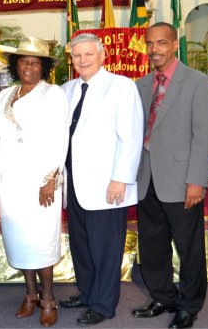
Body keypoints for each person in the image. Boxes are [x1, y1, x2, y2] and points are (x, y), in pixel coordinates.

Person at [131, 23, 208, 329]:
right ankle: (163, 296)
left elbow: (205, 136)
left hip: (182, 181)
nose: (155, 49)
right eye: (150, 44)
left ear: (174, 45)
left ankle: (190, 304)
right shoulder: (140, 85)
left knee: (188, 247)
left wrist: (197, 180)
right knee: (153, 245)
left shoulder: (197, 82)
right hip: (146, 180)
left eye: (162, 43)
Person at [58, 33, 144, 326]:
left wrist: (120, 179)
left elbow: (131, 137)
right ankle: (87, 292)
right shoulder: (67, 88)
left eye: (88, 55)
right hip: (75, 183)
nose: (82, 60)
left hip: (108, 184)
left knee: (105, 247)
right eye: (77, 56)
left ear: (102, 54)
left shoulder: (121, 87)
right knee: (81, 244)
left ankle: (103, 304)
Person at [0, 37, 69, 327]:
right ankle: (30, 295)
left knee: (40, 238)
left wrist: (51, 179)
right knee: (19, 238)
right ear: (15, 64)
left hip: (41, 180)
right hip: (10, 179)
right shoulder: (4, 95)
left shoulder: (54, 93)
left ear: (44, 66)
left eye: (35, 61)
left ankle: (49, 298)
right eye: (23, 60)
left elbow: (61, 138)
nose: (28, 66)